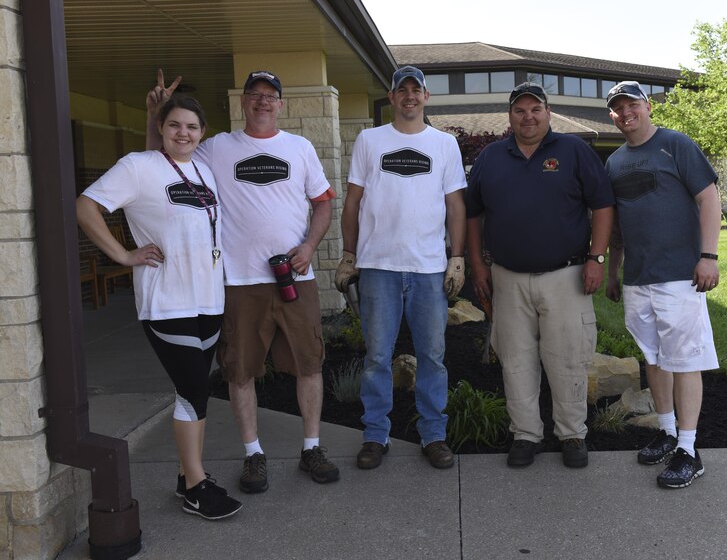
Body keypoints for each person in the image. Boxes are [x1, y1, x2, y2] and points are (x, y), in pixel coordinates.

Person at [147, 69, 339, 494]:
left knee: (309, 364)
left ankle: (312, 447)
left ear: (281, 105)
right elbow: (161, 162)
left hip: (295, 276)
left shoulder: (300, 148)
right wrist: (157, 115)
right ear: (243, 102)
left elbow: (324, 204)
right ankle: (253, 454)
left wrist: (309, 245)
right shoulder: (216, 148)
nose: (263, 101)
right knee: (239, 371)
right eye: (255, 94)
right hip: (238, 282)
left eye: (271, 95)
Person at [77, 95, 242, 520]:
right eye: (174, 125)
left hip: (209, 297)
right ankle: (196, 487)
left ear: (201, 132)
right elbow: (86, 206)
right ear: (162, 128)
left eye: (191, 126)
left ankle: (188, 476)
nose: (183, 133)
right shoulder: (138, 166)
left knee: (194, 394)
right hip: (168, 302)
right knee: (194, 390)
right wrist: (123, 254)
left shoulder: (203, 169)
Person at [465, 82, 615, 469]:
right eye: (520, 110)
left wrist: (597, 259)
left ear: (548, 113)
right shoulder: (491, 157)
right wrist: (478, 265)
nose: (528, 117)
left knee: (568, 359)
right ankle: (526, 434)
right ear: (510, 117)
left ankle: (572, 434)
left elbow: (602, 205)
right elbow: (472, 213)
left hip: (566, 276)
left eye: (536, 109)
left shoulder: (574, 151)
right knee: (515, 360)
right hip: (508, 278)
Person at [334, 66, 467, 470]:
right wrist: (349, 255)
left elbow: (456, 205)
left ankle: (433, 434)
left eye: (416, 89)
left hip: (428, 269)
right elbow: (353, 202)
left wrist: (456, 257)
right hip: (378, 267)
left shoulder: (444, 144)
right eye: (401, 90)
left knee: (433, 357)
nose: (409, 96)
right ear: (391, 97)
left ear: (426, 97)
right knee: (377, 357)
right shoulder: (369, 140)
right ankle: (376, 435)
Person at [604, 81, 721, 489]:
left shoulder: (676, 144)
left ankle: (689, 450)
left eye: (632, 105)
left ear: (648, 106)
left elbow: (709, 198)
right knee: (654, 357)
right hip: (638, 278)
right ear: (612, 116)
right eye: (618, 108)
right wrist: (614, 270)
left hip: (680, 275)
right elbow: (618, 225)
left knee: (685, 360)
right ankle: (668, 431)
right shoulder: (614, 162)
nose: (626, 113)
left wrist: (708, 257)